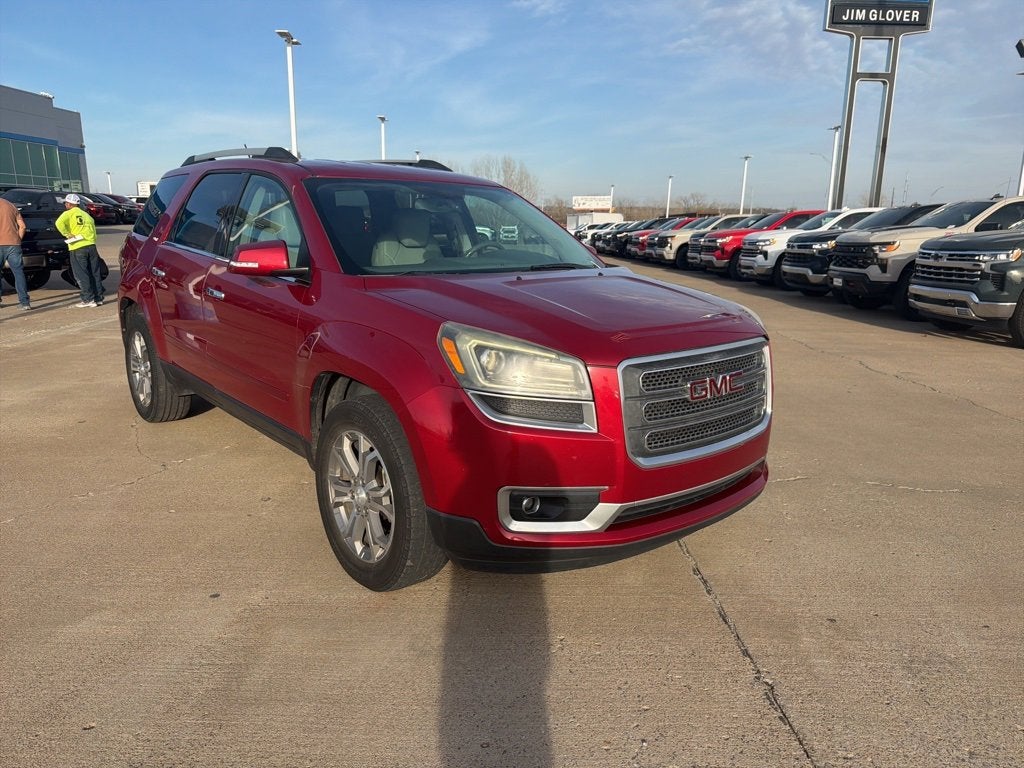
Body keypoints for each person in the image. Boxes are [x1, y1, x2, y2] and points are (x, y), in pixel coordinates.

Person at [55, 193, 104, 307]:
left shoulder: (68, 213)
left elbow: (58, 223)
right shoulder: (86, 215)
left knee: (81, 273)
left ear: (69, 204)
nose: (65, 205)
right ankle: (98, 298)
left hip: (77, 246)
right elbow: (93, 231)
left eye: (66, 203)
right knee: (94, 273)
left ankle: (88, 299)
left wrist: (67, 234)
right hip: (91, 246)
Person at [0, 195, 31, 310]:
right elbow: (22, 226)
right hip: (14, 244)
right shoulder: (11, 205)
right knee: (18, 273)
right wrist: (17, 240)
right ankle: (25, 303)